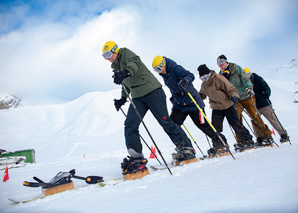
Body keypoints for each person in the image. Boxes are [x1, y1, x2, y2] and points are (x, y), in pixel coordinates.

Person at [102, 41, 195, 176]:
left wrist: (126, 72)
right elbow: (126, 84)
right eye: (104, 56)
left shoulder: (126, 54)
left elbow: (133, 64)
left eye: (108, 54)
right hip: (137, 97)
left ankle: (186, 147)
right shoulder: (116, 67)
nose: (108, 58)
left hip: (152, 91)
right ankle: (136, 157)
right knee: (130, 124)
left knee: (165, 121)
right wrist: (123, 98)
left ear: (115, 50)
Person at [152, 55, 229, 156]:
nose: (159, 72)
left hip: (193, 103)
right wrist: (173, 99)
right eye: (156, 71)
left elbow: (190, 75)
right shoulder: (165, 77)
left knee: (203, 125)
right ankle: (184, 147)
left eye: (158, 69)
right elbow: (174, 90)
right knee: (172, 124)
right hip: (180, 105)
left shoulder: (175, 68)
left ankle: (220, 143)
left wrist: (185, 81)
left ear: (164, 64)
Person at [217, 55, 273, 148]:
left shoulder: (235, 68)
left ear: (226, 61)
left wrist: (249, 88)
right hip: (235, 99)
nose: (220, 64)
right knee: (236, 120)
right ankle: (241, 140)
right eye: (218, 63)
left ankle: (267, 136)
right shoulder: (220, 74)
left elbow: (245, 78)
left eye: (222, 61)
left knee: (255, 116)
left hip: (246, 96)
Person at [198, 64, 254, 152]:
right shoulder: (204, 85)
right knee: (215, 128)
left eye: (206, 76)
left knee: (235, 124)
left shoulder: (219, 78)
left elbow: (230, 88)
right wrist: (196, 99)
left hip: (227, 105)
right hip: (216, 107)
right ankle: (219, 144)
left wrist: (234, 95)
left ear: (209, 73)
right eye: (202, 78)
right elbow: (202, 94)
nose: (205, 79)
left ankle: (247, 139)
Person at [244, 68, 290, 144]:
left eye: (248, 74)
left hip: (264, 103)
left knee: (273, 119)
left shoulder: (257, 78)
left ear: (250, 73)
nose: (247, 76)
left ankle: (283, 134)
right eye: (245, 75)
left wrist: (266, 93)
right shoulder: (244, 83)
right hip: (253, 106)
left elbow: (266, 87)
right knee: (255, 122)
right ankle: (259, 138)